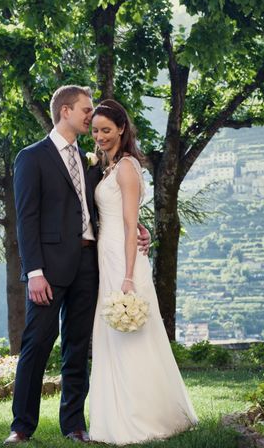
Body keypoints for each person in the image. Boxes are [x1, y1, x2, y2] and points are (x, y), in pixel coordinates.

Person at [5, 86, 150, 445]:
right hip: (49, 269)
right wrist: (34, 272)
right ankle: (21, 426)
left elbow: (108, 206)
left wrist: (140, 228)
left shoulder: (90, 161)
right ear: (66, 111)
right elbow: (26, 218)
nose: (92, 115)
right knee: (37, 342)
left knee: (77, 345)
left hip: (89, 262)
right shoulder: (32, 157)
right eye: (86, 110)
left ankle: (73, 424)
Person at [88, 99, 198, 445]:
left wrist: (128, 276)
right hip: (107, 256)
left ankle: (141, 416)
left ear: (122, 128)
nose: (100, 136)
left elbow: (129, 221)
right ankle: (113, 416)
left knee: (131, 336)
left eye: (107, 130)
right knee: (113, 336)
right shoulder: (107, 167)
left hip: (124, 261)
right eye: (95, 130)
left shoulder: (127, 167)